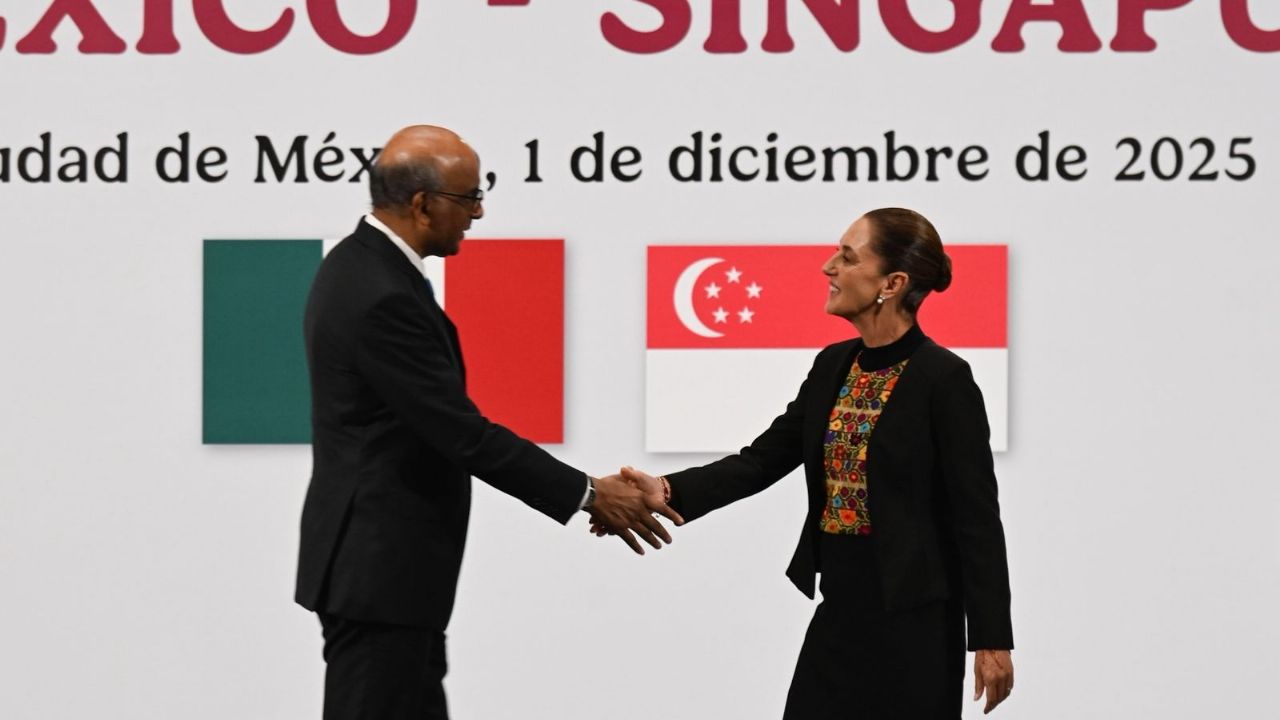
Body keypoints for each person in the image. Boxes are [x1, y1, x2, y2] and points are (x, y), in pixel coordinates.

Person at [295, 125, 682, 720]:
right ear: (422, 204)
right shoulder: (379, 293)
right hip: (379, 572)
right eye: (469, 197)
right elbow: (462, 434)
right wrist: (589, 494)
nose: (478, 212)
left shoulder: (363, 267)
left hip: (391, 573)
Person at [608, 208, 1014, 718]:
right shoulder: (832, 365)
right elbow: (761, 461)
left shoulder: (944, 379)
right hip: (840, 611)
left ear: (892, 283)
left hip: (919, 624)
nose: (829, 267)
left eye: (848, 257)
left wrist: (992, 638)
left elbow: (976, 518)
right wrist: (665, 490)